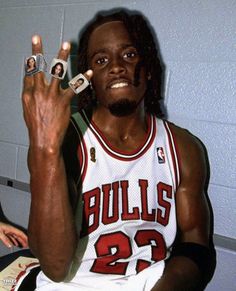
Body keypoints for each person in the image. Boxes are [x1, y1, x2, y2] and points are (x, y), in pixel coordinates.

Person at [22, 9, 215, 291]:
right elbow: (55, 266)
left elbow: (196, 248)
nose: (116, 66)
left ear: (148, 68)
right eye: (101, 60)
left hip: (153, 281)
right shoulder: (65, 141)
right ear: (88, 79)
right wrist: (46, 148)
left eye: (129, 55)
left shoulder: (183, 148)